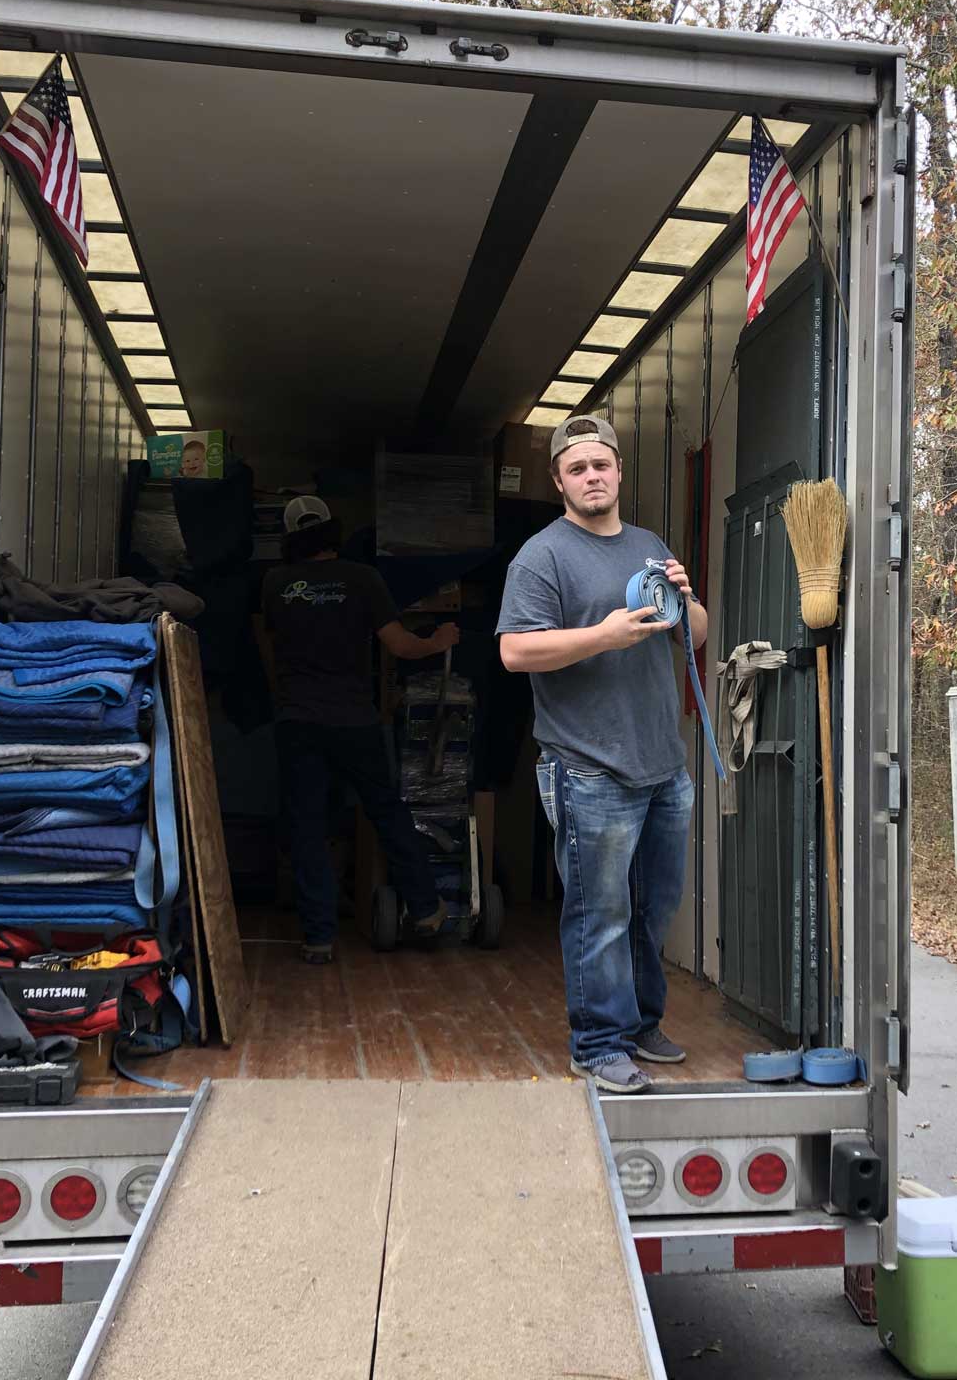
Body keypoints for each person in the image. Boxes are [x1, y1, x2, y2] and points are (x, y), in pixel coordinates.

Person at [496, 414, 706, 1093]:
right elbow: (514, 651)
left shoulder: (648, 544)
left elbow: (694, 634)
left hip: (662, 768)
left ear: (618, 471)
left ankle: (643, 1025)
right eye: (578, 468)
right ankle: (598, 1044)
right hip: (588, 768)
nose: (593, 476)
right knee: (600, 914)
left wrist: (685, 598)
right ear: (559, 480)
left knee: (653, 910)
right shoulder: (542, 556)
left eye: (602, 465)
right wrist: (601, 637)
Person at [256, 495, 458, 963]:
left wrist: (284, 696)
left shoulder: (274, 582)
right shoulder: (362, 578)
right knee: (386, 811)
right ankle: (427, 910)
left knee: (307, 825)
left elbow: (268, 647)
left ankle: (318, 938)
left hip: (297, 720)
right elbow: (401, 646)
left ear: (290, 539)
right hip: (354, 719)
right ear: (332, 531)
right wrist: (438, 641)